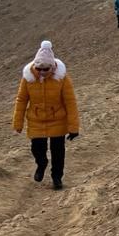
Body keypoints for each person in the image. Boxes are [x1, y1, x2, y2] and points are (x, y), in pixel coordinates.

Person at [12, 40, 80, 191]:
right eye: (39, 69)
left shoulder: (62, 78)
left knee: (58, 152)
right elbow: (21, 100)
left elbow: (70, 102)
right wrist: (18, 124)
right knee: (37, 148)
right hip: (36, 120)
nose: (42, 72)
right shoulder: (28, 78)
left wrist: (73, 128)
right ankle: (41, 164)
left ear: (53, 67)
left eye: (45, 69)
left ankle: (57, 177)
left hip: (58, 119)